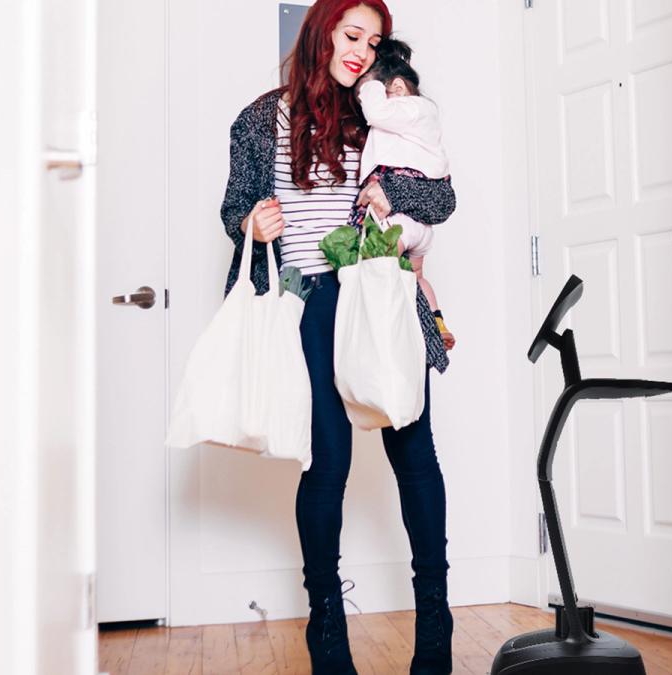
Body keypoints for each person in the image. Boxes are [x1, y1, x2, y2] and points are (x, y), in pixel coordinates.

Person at [219, 1, 456, 673]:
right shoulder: (261, 120)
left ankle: (434, 624)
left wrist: (391, 195)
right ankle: (327, 626)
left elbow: (442, 199)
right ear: (322, 33)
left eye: (373, 41)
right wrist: (252, 226)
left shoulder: (384, 111)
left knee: (414, 453)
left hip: (378, 295)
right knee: (327, 463)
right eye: (353, 35)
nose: (361, 51)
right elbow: (234, 208)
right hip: (309, 303)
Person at [350, 36, 456, 351]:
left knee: (381, 266)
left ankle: (386, 333)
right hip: (419, 226)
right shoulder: (412, 123)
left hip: (402, 219)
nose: (362, 100)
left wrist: (367, 85)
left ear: (395, 88)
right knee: (417, 276)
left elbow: (376, 114)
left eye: (365, 94)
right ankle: (436, 321)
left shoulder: (414, 108)